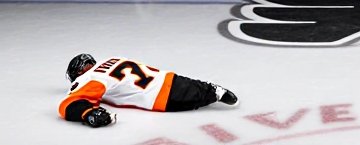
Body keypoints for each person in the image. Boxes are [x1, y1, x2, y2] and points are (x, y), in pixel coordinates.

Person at [61, 53, 237, 128]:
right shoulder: (112, 58)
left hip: (156, 96)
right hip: (168, 78)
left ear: (79, 71)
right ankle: (214, 91)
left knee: (190, 102)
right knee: (196, 90)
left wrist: (89, 114)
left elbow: (68, 105)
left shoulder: (90, 78)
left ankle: (212, 92)